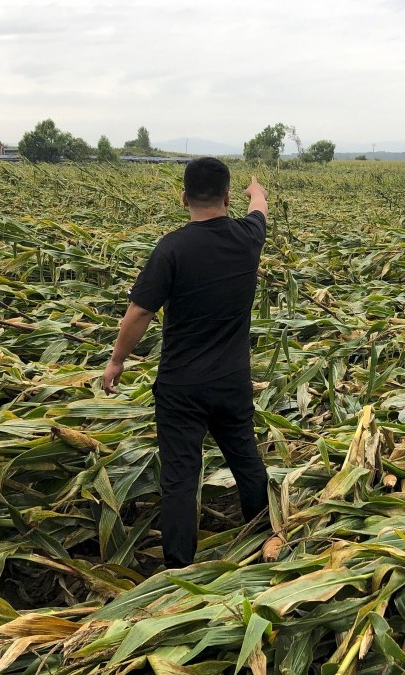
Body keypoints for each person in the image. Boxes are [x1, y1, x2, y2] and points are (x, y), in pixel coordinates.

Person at [103, 157, 270, 568]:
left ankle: (178, 566)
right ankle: (265, 537)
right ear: (227, 198)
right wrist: (256, 190)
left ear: (183, 198)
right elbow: (260, 210)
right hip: (232, 379)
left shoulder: (171, 248)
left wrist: (117, 360)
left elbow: (139, 312)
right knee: (245, 459)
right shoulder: (248, 237)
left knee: (179, 477)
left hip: (181, 386)